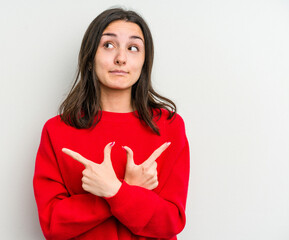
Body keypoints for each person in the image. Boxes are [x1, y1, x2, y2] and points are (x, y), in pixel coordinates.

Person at [33, 7, 190, 240]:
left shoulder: (169, 127)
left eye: (133, 48)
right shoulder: (57, 130)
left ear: (144, 62)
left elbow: (170, 222)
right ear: (89, 58)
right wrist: (124, 190)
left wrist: (115, 190)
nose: (121, 58)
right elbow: (53, 224)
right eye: (108, 45)